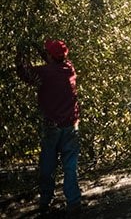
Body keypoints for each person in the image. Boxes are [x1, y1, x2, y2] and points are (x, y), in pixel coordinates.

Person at [15, 39, 82, 215]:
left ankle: (45, 200)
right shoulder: (69, 69)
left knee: (47, 164)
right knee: (70, 165)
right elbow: (53, 62)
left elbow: (25, 73)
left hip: (52, 125)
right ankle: (74, 202)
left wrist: (20, 54)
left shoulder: (44, 73)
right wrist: (42, 51)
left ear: (50, 56)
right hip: (71, 125)